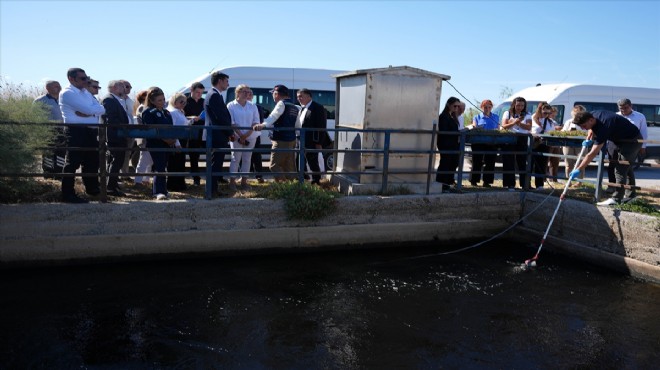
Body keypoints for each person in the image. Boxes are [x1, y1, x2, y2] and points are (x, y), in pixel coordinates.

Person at [570, 110, 642, 206]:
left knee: (620, 168)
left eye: (584, 126)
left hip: (632, 141)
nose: (583, 128)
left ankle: (616, 199)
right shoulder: (592, 114)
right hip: (619, 139)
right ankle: (631, 196)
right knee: (626, 169)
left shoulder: (604, 127)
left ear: (591, 120)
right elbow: (592, 126)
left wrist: (579, 169)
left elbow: (592, 153)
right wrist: (590, 131)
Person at [59, 67, 105, 203]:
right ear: (71, 79)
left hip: (90, 130)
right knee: (72, 163)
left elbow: (102, 108)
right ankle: (68, 194)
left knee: (92, 160)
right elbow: (89, 109)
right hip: (75, 130)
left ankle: (92, 189)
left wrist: (89, 112)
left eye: (87, 78)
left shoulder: (85, 92)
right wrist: (91, 111)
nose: (86, 81)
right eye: (83, 79)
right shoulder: (67, 93)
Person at [253, 85, 299, 182]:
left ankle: (282, 186)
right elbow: (298, 125)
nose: (273, 96)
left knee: (274, 166)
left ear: (277, 94)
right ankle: (294, 188)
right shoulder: (295, 106)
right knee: (289, 168)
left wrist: (263, 125)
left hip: (281, 139)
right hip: (291, 140)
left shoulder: (281, 104)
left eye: (273, 94)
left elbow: (273, 116)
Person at [204, 72, 235, 194]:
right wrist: (230, 132)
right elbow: (221, 117)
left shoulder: (214, 95)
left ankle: (213, 189)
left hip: (217, 134)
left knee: (216, 163)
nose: (228, 84)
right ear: (220, 81)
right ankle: (211, 190)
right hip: (217, 135)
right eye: (226, 81)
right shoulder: (214, 95)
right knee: (215, 164)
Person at [142, 87, 175, 200]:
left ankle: (163, 190)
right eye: (159, 100)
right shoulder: (148, 112)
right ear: (152, 101)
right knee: (159, 167)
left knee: (163, 167)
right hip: (156, 143)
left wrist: (172, 139)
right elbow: (152, 130)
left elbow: (171, 127)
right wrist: (165, 139)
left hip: (167, 144)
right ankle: (157, 191)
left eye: (163, 99)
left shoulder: (166, 112)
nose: (162, 102)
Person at [226, 84, 260, 191]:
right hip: (236, 137)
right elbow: (232, 123)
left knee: (247, 159)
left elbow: (255, 122)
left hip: (250, 136)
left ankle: (244, 181)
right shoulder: (231, 105)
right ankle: (232, 182)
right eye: (244, 92)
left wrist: (246, 135)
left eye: (248, 92)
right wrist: (241, 136)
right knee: (235, 159)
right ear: (238, 92)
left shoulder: (252, 106)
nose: (247, 94)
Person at [101, 80, 129, 196]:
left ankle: (112, 184)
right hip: (115, 135)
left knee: (117, 160)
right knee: (116, 160)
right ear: (114, 87)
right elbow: (111, 118)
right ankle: (110, 187)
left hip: (119, 134)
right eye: (122, 87)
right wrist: (124, 127)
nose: (124, 89)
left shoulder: (115, 99)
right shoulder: (109, 99)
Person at [296, 88, 329, 185]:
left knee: (312, 161)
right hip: (301, 139)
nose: (299, 99)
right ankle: (304, 178)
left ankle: (316, 180)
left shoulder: (317, 108)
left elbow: (321, 126)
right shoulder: (302, 108)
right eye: (298, 97)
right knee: (299, 159)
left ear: (308, 96)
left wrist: (319, 142)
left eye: (301, 96)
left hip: (312, 140)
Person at [500, 96, 532, 190]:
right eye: (518, 105)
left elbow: (529, 127)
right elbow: (504, 126)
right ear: (514, 105)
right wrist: (514, 122)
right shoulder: (507, 113)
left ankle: (525, 184)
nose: (520, 107)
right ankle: (510, 184)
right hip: (509, 138)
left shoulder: (527, 114)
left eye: (522, 105)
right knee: (509, 162)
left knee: (522, 161)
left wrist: (519, 123)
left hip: (522, 138)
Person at [467, 99, 499, 187]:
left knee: (490, 162)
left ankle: (487, 181)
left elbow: (498, 128)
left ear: (492, 107)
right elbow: (474, 126)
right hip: (479, 142)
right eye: (485, 107)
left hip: (492, 142)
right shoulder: (477, 117)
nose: (487, 109)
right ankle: (474, 180)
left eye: (489, 107)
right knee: (477, 161)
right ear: (481, 107)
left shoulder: (496, 117)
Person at [436, 97, 461, 191]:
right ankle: (442, 185)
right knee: (445, 164)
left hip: (453, 144)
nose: (456, 108)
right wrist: (457, 132)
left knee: (453, 163)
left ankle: (448, 184)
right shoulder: (443, 116)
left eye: (458, 106)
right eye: (455, 106)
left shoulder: (453, 117)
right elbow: (444, 131)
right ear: (448, 105)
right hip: (446, 144)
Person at [617, 98, 648, 172]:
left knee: (624, 167)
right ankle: (629, 183)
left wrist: (643, 146)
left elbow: (643, 132)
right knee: (625, 167)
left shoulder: (640, 116)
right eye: (621, 108)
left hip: (633, 145)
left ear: (631, 106)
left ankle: (623, 183)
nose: (623, 110)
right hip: (617, 145)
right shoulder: (616, 116)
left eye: (626, 108)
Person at [166, 93, 189, 191]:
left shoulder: (179, 111)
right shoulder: (173, 112)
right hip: (177, 140)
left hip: (182, 139)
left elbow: (184, 123)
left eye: (185, 102)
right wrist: (177, 143)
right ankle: (174, 185)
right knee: (175, 163)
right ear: (174, 102)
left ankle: (180, 184)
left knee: (180, 163)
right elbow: (173, 129)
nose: (183, 104)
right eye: (181, 101)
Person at [529, 103, 556, 189]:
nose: (547, 115)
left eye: (549, 113)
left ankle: (539, 185)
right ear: (539, 110)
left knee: (541, 165)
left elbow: (552, 132)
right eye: (545, 113)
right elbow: (527, 130)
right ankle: (526, 184)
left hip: (544, 145)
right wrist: (534, 135)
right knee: (529, 165)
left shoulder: (549, 121)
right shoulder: (531, 118)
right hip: (532, 144)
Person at [183, 82, 205, 186]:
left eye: (201, 93)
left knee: (202, 154)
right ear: (191, 90)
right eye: (197, 92)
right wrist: (191, 118)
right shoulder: (184, 101)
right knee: (192, 156)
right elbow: (179, 116)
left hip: (203, 131)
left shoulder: (204, 102)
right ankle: (194, 178)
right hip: (190, 132)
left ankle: (215, 177)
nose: (199, 95)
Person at [561, 105, 587, 185]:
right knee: (568, 164)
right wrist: (568, 132)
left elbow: (588, 132)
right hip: (568, 144)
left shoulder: (585, 121)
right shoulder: (568, 121)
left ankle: (580, 182)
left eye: (578, 112)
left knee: (580, 164)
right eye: (575, 112)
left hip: (581, 144)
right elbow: (563, 131)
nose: (576, 114)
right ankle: (569, 182)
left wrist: (579, 132)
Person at [133, 90, 152, 186]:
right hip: (144, 138)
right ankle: (138, 181)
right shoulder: (142, 108)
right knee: (143, 159)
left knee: (149, 160)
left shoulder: (146, 107)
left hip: (148, 137)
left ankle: (145, 179)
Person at [247, 89, 265, 183]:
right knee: (242, 156)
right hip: (242, 135)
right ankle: (243, 176)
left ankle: (259, 175)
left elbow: (260, 121)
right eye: (247, 94)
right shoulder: (238, 105)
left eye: (250, 94)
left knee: (256, 155)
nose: (248, 96)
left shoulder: (257, 107)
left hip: (255, 135)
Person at [546, 106, 562, 184]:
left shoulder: (553, 121)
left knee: (555, 162)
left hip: (555, 143)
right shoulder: (545, 120)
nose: (554, 116)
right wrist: (556, 128)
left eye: (555, 115)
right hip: (549, 143)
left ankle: (554, 179)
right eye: (553, 114)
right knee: (546, 161)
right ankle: (544, 178)